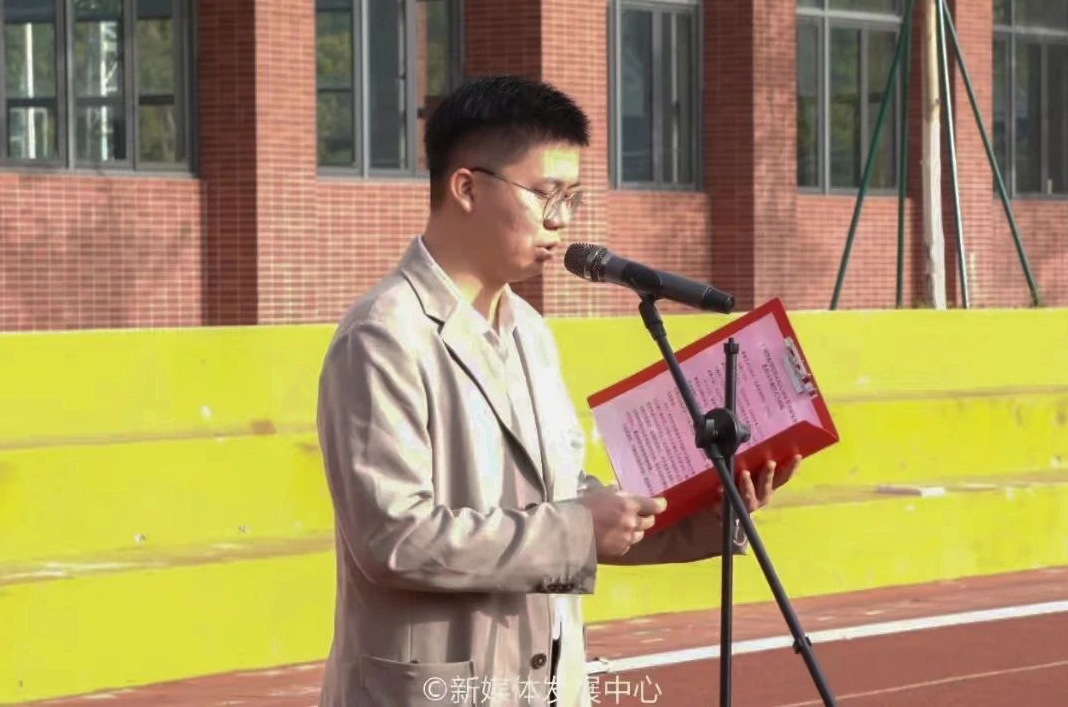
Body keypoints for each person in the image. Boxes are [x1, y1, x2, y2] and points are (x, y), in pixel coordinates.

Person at [315, 75, 798, 707]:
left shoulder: (530, 332)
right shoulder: (383, 336)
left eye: (572, 197)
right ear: (466, 187)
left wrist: (704, 508)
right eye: (546, 194)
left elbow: (565, 499)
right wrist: (576, 529)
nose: (561, 221)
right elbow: (395, 538)